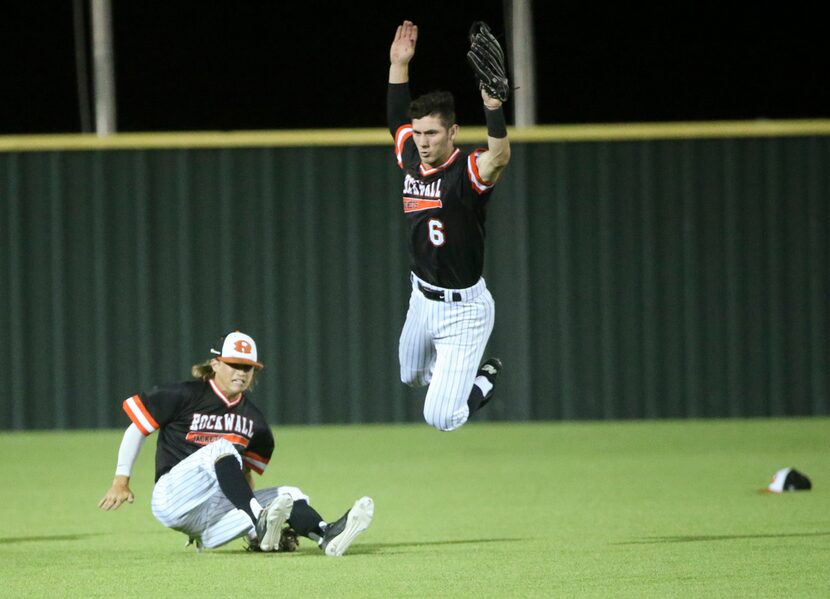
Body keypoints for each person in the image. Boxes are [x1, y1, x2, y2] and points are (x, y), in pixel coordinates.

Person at [98, 330, 374, 556]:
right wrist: (121, 480)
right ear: (215, 364)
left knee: (290, 494)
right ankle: (259, 520)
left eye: (248, 368)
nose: (241, 373)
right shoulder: (182, 394)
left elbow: (244, 477)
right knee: (222, 447)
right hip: (172, 498)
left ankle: (325, 535)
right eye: (234, 365)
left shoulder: (255, 421)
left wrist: (256, 531)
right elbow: (136, 430)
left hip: (211, 521)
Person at [387, 20, 511, 431]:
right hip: (421, 298)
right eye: (419, 132)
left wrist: (493, 109)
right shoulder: (410, 158)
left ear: (452, 132)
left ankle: (482, 380)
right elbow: (396, 122)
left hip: (465, 310)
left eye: (432, 133)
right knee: (409, 376)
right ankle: (452, 369)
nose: (422, 140)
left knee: (441, 417)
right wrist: (398, 65)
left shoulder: (466, 172)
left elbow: (498, 157)